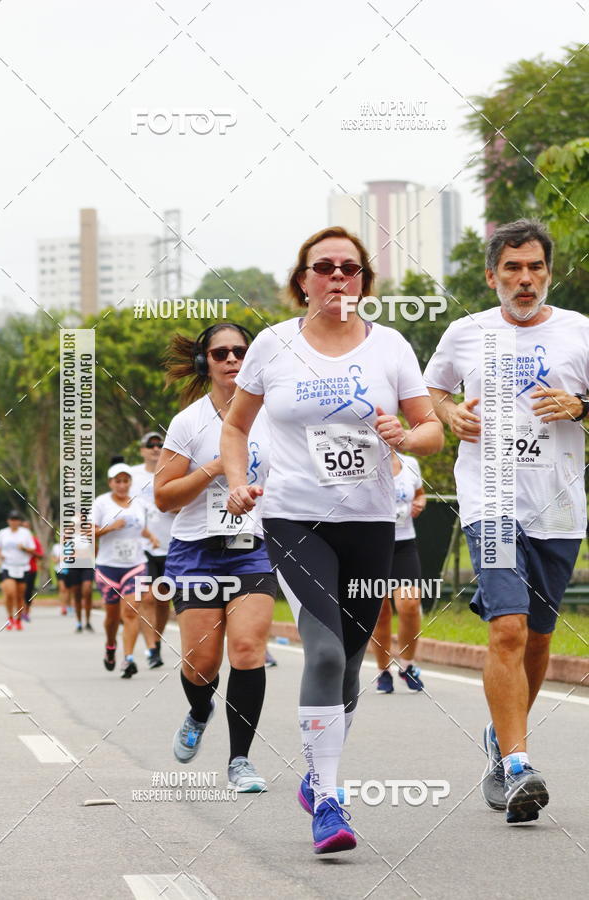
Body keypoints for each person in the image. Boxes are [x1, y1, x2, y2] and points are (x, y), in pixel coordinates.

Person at [220, 226, 443, 854]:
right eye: (325, 267)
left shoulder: (391, 346)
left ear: (365, 284)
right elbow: (236, 428)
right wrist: (238, 484)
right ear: (303, 281)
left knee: (346, 665)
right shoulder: (272, 345)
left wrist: (406, 434)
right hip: (294, 519)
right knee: (320, 654)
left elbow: (433, 432)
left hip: (371, 522)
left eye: (351, 268)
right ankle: (328, 800)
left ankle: (319, 774)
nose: (338, 276)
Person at [424, 218, 589, 825]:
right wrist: (449, 416)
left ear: (548, 272)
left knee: (539, 636)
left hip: (560, 505)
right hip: (489, 498)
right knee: (509, 629)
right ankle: (518, 764)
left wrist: (580, 405)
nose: (525, 280)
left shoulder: (580, 332)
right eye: (513, 269)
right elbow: (431, 391)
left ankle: (502, 736)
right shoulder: (466, 333)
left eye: (536, 268)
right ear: (492, 275)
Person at [154, 323, 277, 793]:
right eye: (220, 352)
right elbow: (165, 498)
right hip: (197, 552)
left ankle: (240, 760)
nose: (231, 359)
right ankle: (199, 710)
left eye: (241, 351)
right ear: (206, 361)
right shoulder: (189, 422)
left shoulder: (272, 415)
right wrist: (218, 465)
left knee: (247, 650)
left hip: (253, 548)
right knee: (200, 664)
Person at [93, 462, 158, 677]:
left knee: (131, 611)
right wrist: (111, 527)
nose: (122, 485)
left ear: (130, 482)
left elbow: (142, 528)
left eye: (126, 480)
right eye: (117, 481)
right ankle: (111, 645)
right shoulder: (101, 503)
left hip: (135, 564)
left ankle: (128, 659)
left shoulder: (138, 504)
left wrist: (151, 537)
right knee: (112, 618)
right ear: (110, 482)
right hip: (108, 567)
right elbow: (90, 532)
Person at [372, 452, 426, 693]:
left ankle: (407, 664)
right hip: (372, 545)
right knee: (380, 612)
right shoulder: (363, 462)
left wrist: (420, 503)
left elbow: (421, 493)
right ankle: (383, 671)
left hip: (404, 544)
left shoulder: (410, 463)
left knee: (409, 604)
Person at [129, 432, 176, 667]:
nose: (156, 448)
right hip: (142, 547)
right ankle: (150, 649)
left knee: (162, 601)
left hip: (171, 543)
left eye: (160, 445)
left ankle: (156, 643)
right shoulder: (131, 476)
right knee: (147, 597)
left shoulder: (175, 470)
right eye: (151, 445)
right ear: (142, 450)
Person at [0, 511, 35, 631]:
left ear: (19, 521)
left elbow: (32, 549)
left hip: (22, 567)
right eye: (12, 519)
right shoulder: (2, 533)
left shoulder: (25, 533)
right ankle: (10, 617)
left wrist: (24, 548)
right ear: (8, 521)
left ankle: (18, 619)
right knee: (10, 593)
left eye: (16, 519)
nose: (14, 521)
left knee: (20, 596)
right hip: (7, 566)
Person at [20, 519, 44, 623]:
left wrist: (27, 550)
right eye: (23, 527)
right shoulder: (16, 540)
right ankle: (19, 611)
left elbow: (40, 556)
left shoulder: (34, 540)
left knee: (28, 592)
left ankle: (26, 612)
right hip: (18, 568)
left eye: (27, 527)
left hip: (31, 569)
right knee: (18, 591)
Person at [51, 542, 69, 615]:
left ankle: (68, 605)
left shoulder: (71, 545)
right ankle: (63, 607)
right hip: (59, 570)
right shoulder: (56, 546)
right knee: (62, 588)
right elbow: (53, 558)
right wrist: (57, 559)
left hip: (70, 569)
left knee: (68, 589)